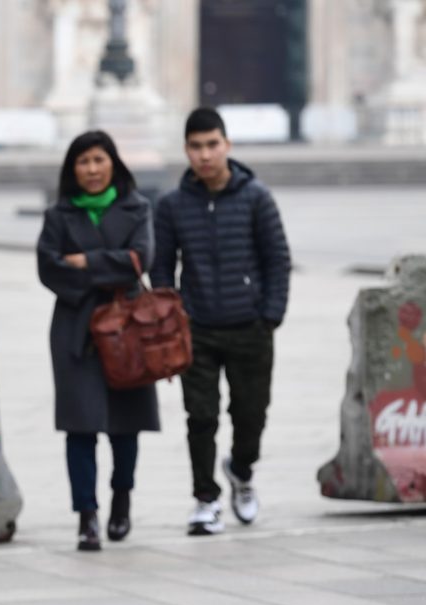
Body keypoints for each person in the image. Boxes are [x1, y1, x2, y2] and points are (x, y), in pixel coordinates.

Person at [150, 108, 291, 536]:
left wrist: (270, 314)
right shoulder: (172, 205)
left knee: (251, 415)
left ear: (227, 145)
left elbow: (277, 259)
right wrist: (173, 317)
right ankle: (205, 500)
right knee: (201, 416)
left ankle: (242, 473)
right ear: (186, 150)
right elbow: (161, 268)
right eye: (196, 146)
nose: (205, 154)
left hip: (250, 327)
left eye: (212, 145)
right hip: (197, 331)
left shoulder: (256, 197)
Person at [37, 130, 159, 552]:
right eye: (83, 161)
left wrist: (86, 261)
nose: (92, 169)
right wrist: (113, 266)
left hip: (128, 327)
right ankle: (87, 516)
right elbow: (49, 268)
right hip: (76, 330)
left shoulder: (137, 207)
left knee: (126, 426)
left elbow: (141, 259)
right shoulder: (59, 214)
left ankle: (121, 498)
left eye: (99, 160)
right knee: (80, 426)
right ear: (73, 168)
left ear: (113, 164)